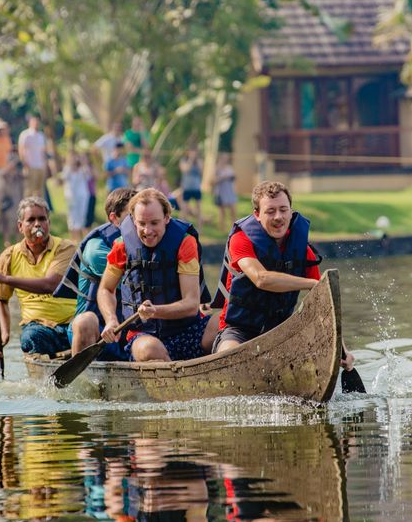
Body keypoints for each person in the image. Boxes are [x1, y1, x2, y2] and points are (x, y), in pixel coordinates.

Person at [211, 180, 354, 371]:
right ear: (257, 215)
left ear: (291, 211)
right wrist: (312, 284)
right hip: (239, 331)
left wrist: (341, 349)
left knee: (319, 355)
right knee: (228, 357)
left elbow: (324, 306)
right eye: (270, 211)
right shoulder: (240, 240)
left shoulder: (303, 252)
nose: (278, 216)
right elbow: (261, 278)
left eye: (283, 209)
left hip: (282, 333)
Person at [97, 189, 215, 362]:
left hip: (187, 331)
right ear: (133, 220)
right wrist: (111, 320)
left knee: (224, 321)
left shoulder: (185, 242)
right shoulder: (121, 246)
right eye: (142, 223)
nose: (147, 230)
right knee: (149, 348)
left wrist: (155, 311)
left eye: (154, 223)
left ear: (167, 218)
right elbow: (105, 289)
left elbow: (191, 304)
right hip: (144, 336)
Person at [0, 197, 78, 358]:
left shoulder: (65, 248)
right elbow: (2, 299)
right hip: (38, 328)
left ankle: (72, 354)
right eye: (31, 220)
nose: (37, 224)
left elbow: (51, 285)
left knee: (88, 327)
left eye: (42, 219)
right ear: (20, 226)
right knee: (29, 338)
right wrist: (4, 334)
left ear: (48, 222)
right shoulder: (9, 256)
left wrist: (5, 279)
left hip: (70, 324)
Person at [55, 187, 137, 357]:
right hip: (94, 331)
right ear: (114, 219)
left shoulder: (144, 241)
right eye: (132, 215)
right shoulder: (96, 248)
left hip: (127, 330)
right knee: (87, 320)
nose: (139, 220)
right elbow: (137, 279)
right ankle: (82, 380)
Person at [62, 152, 91, 243]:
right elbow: (64, 178)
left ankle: (82, 240)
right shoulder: (67, 169)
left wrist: (83, 163)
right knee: (72, 217)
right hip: (71, 198)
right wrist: (70, 165)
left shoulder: (82, 169)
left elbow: (89, 176)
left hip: (83, 197)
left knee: (82, 217)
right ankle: (74, 240)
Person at [18, 116, 48, 198]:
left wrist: (44, 164)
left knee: (40, 189)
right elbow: (21, 149)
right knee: (29, 189)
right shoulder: (25, 135)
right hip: (31, 165)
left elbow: (43, 151)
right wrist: (25, 163)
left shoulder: (41, 135)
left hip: (40, 166)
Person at [211, 152, 238, 229]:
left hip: (230, 191)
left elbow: (234, 178)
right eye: (224, 158)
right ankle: (222, 227)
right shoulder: (217, 168)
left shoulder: (230, 168)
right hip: (221, 192)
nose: (225, 160)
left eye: (226, 158)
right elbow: (213, 181)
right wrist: (223, 177)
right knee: (222, 212)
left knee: (233, 210)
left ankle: (234, 227)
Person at [178, 148, 203, 225]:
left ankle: (199, 228)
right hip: (187, 188)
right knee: (184, 209)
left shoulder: (199, 161)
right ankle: (181, 226)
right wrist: (191, 159)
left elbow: (201, 171)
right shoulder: (184, 161)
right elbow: (186, 170)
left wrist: (196, 160)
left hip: (196, 188)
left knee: (198, 209)